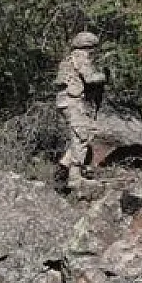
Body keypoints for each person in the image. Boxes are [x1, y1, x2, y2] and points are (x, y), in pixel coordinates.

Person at [55, 31, 106, 188]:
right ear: (89, 46)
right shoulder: (81, 57)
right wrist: (104, 76)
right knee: (82, 136)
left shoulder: (68, 59)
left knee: (81, 133)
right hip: (73, 101)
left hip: (64, 101)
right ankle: (75, 177)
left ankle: (64, 165)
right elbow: (90, 78)